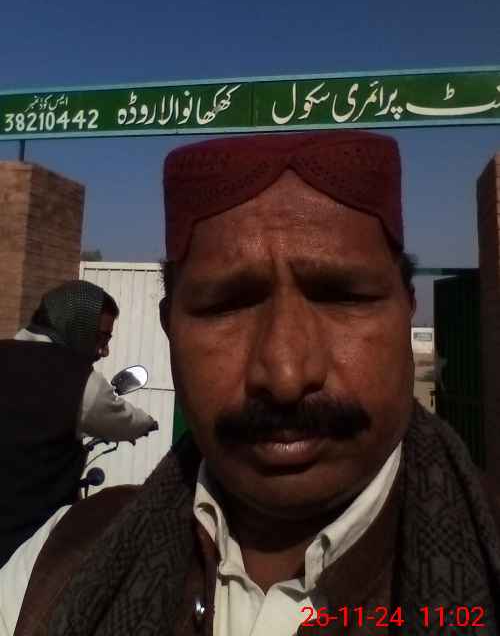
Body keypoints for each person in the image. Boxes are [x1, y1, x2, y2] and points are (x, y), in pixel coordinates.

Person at [15, 132, 500, 635]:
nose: (286, 376)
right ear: (170, 329)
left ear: (407, 312)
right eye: (226, 306)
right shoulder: (63, 560)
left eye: (342, 297)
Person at [0, 280, 158, 571]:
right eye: (102, 338)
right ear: (77, 326)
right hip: (29, 547)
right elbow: (126, 421)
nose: (104, 351)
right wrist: (149, 424)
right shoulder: (80, 381)